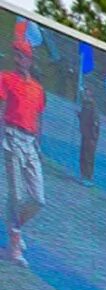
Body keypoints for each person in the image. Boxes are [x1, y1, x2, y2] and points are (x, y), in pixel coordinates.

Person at [1, 40, 47, 266]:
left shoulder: (38, 89)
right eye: (15, 56)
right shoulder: (6, 78)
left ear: (30, 60)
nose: (18, 60)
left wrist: (39, 146)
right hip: (12, 137)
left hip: (30, 142)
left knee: (38, 199)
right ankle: (14, 246)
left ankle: (15, 226)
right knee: (16, 194)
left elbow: (38, 118)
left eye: (22, 56)